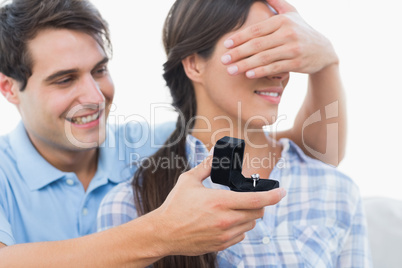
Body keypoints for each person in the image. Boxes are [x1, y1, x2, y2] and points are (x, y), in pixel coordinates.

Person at [0, 0, 347, 266]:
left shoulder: (154, 146)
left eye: (100, 70)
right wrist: (162, 232)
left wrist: (326, 62)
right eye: (64, 79)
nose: (94, 97)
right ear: (9, 88)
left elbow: (309, 153)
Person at [98, 0, 371, 267]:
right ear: (194, 64)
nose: (277, 71)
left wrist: (326, 59)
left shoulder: (337, 191)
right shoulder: (130, 205)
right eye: (256, 50)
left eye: (281, 50)